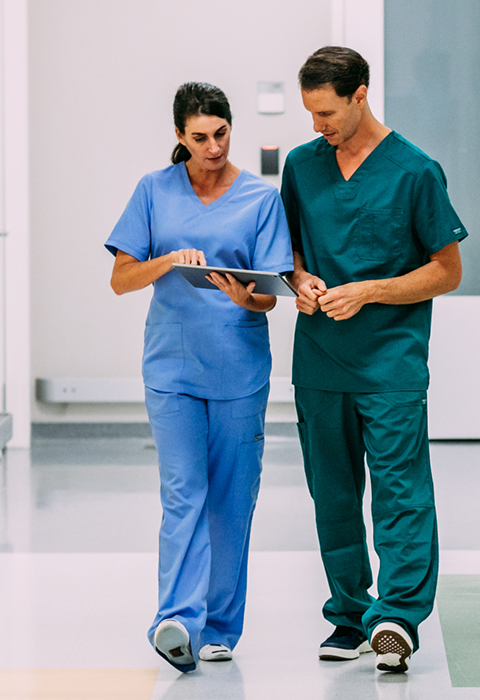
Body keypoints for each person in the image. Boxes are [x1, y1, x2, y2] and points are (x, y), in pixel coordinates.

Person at [281, 46, 467, 673]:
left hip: (390, 363)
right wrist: (301, 281)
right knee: (332, 493)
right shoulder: (302, 167)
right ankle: (348, 611)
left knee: (399, 492)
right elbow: (291, 252)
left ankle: (397, 617)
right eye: (310, 113)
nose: (318, 126)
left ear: (361, 94)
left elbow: (447, 271)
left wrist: (370, 290)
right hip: (320, 361)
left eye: (328, 112)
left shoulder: (415, 171)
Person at [105, 82, 293, 672]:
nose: (213, 147)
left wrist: (248, 296)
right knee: (183, 493)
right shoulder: (153, 191)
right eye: (199, 137)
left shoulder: (261, 200)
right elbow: (122, 278)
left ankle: (218, 628)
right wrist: (168, 260)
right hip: (173, 369)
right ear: (179, 138)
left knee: (231, 501)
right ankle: (175, 620)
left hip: (239, 368)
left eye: (221, 134)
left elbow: (272, 296)